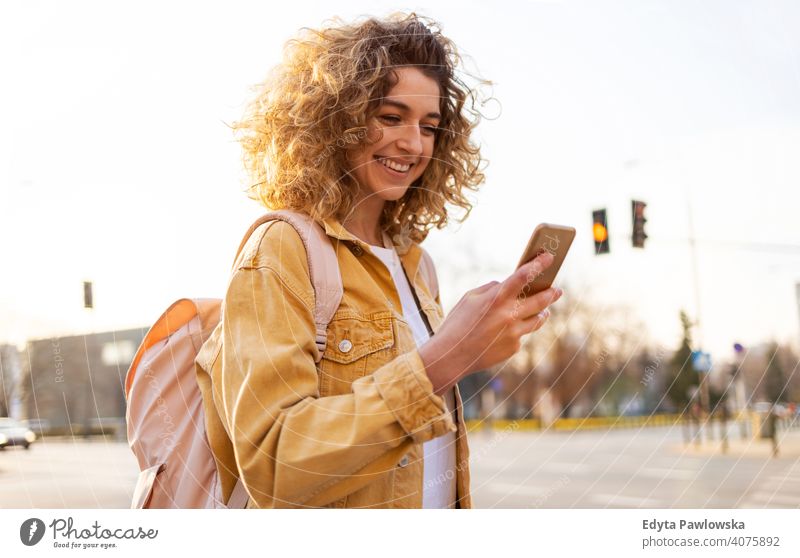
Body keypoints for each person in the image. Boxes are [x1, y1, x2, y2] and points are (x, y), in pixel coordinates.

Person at [195, 12, 564, 509]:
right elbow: (274, 466)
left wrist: (473, 348)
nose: (413, 143)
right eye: (390, 117)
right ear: (336, 121)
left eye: (429, 126)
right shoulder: (283, 247)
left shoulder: (419, 266)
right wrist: (448, 356)